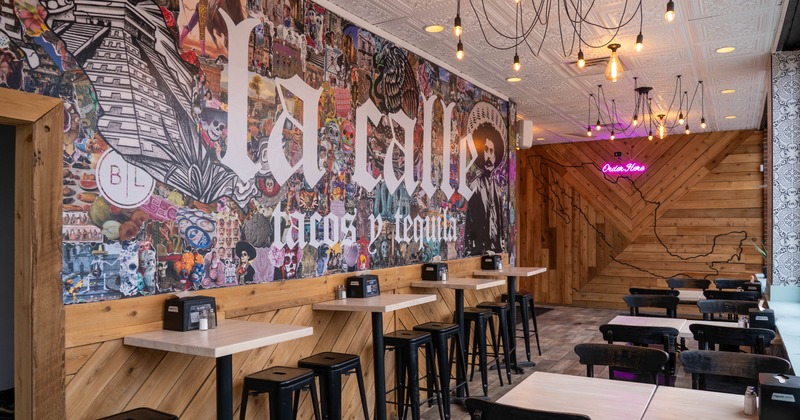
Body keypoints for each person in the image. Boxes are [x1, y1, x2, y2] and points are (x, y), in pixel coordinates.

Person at [464, 102, 506, 255]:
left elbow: (500, 222)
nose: (489, 155)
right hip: (479, 252)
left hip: (496, 251)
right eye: (486, 150)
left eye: (492, 151)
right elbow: (469, 223)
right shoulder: (474, 185)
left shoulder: (497, 188)